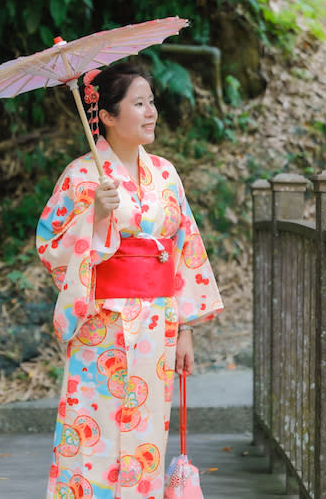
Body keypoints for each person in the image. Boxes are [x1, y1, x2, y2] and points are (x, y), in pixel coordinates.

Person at [36, 61, 224, 499]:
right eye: (138, 104)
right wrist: (94, 217)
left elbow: (184, 248)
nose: (151, 112)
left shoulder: (165, 174)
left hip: (158, 323)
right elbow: (50, 245)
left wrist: (186, 330)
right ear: (105, 116)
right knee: (91, 434)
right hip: (100, 323)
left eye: (152, 102)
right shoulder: (82, 175)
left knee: (144, 439)